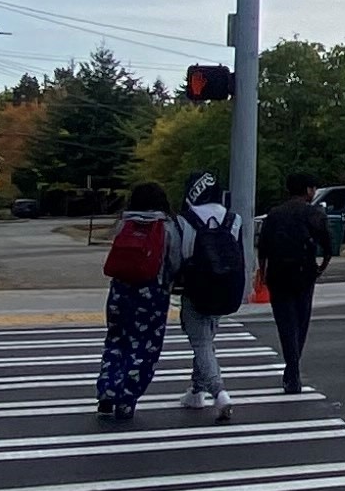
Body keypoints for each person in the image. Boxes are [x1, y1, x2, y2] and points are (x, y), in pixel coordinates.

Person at [168, 169, 249, 421]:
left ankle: (219, 392)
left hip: (196, 287)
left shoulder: (183, 220)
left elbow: (175, 257)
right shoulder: (233, 219)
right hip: (226, 287)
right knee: (207, 339)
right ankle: (196, 391)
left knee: (201, 342)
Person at [95, 186, 174, 421]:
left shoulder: (123, 224)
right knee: (144, 347)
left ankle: (107, 392)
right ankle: (127, 400)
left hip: (120, 291)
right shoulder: (166, 227)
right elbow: (173, 260)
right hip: (152, 293)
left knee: (116, 340)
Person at [255, 174, 336, 391]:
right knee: (301, 323)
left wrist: (262, 274)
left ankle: (292, 371)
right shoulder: (314, 213)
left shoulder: (274, 215)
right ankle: (292, 371)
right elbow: (328, 246)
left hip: (278, 275)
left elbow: (262, 249)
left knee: (286, 325)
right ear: (307, 190)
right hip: (304, 274)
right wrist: (320, 268)